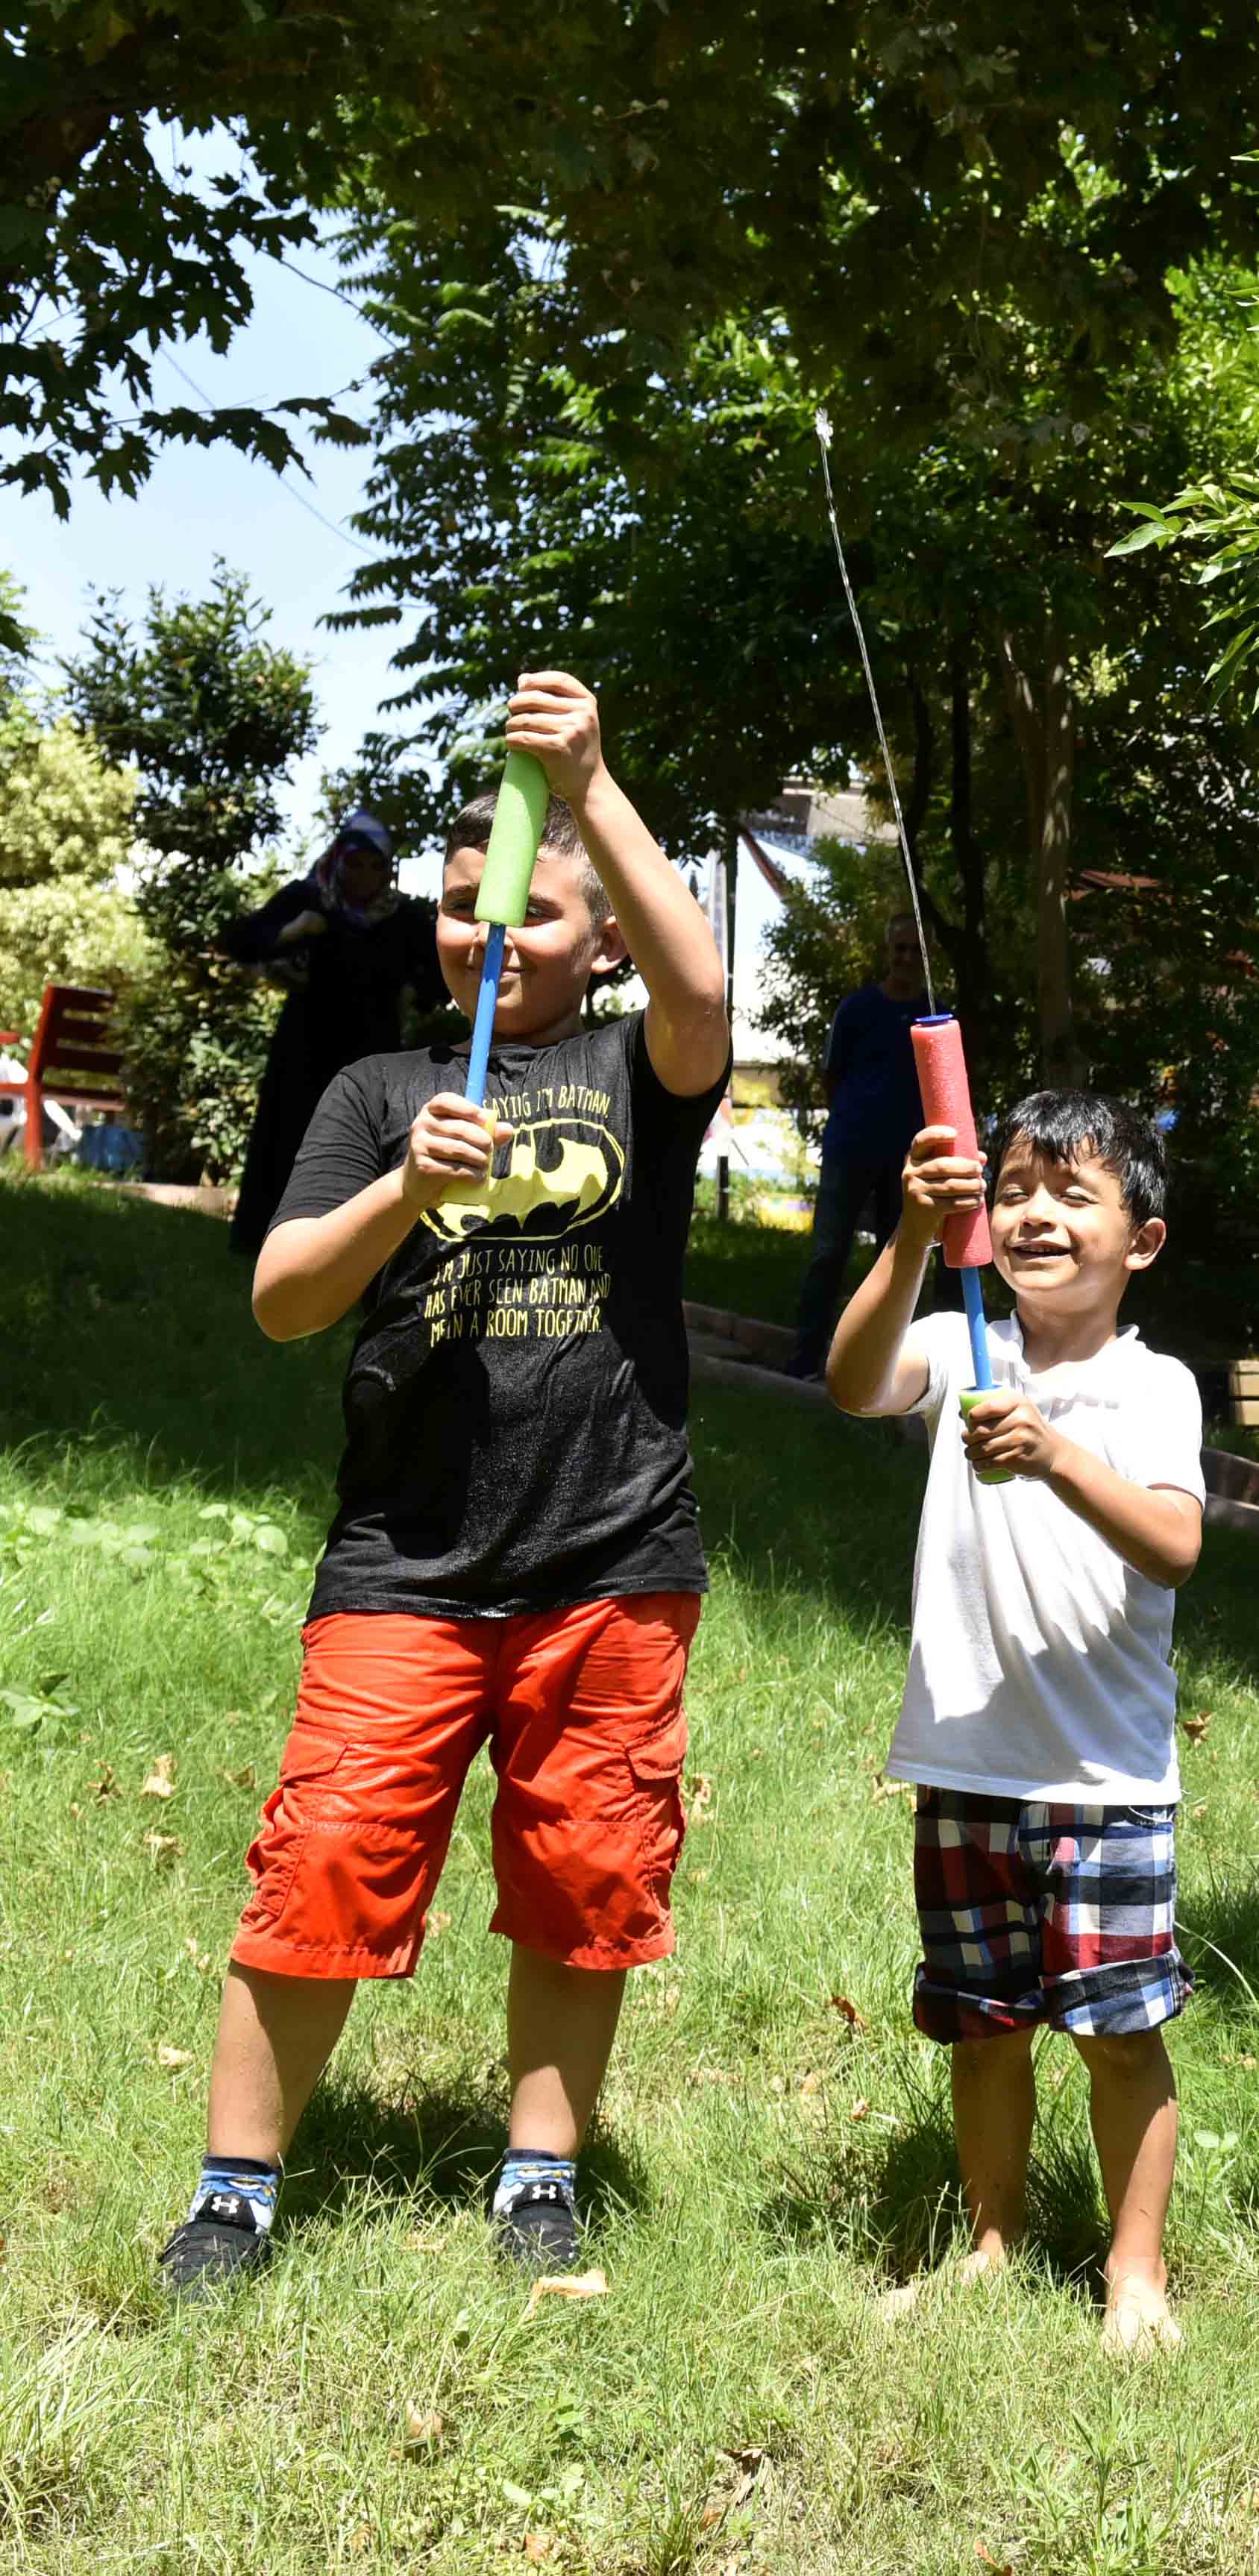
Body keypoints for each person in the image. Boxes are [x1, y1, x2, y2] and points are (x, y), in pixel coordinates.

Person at [159, 674, 729, 2299]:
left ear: (600, 936)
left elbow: (704, 1001)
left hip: (612, 1551)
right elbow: (283, 1297)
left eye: (536, 918)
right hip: (407, 1560)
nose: (495, 941)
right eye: (472, 914)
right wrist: (406, 1189)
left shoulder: (639, 1074)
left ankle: (540, 2169)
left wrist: (595, 784)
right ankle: (235, 2191)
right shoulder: (382, 1093)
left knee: (585, 1872)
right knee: (325, 1850)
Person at [825, 1089, 1205, 2350]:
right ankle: (993, 2241)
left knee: (1117, 2036)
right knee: (982, 2026)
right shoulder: (954, 1336)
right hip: (967, 1759)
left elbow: (1174, 1543)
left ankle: (1134, 2272)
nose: (1036, 1212)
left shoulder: (1153, 1386)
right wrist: (908, 1239)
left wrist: (1053, 1455)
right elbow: (850, 1381)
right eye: (1016, 1189)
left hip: (1105, 1777)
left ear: (1139, 1239)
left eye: (1071, 1193)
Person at [220, 808, 448, 1257]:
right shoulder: (310, 900)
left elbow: (438, 980)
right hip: (303, 1048)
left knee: (365, 1148)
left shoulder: (401, 919)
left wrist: (412, 996)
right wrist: (292, 932)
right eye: (355, 864)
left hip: (371, 1052)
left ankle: (357, 1252)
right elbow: (239, 940)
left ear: (388, 871)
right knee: (286, 1140)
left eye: (375, 866)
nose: (364, 875)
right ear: (338, 862)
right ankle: (263, 1245)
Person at [788, 911, 929, 1376]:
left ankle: (887, 1365)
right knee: (827, 1254)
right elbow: (832, 1077)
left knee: (898, 1262)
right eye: (899, 948)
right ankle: (804, 1361)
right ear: (887, 953)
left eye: (914, 949)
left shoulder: (936, 1013)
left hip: (908, 1160)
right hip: (850, 1148)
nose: (906, 957)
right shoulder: (856, 1009)